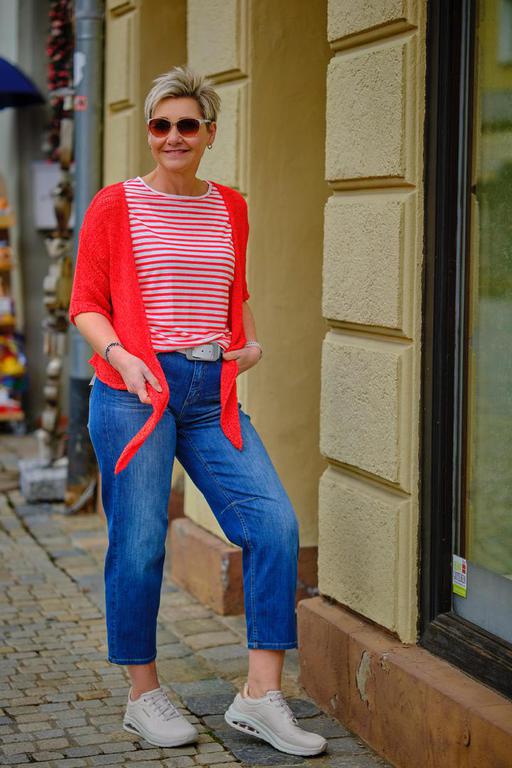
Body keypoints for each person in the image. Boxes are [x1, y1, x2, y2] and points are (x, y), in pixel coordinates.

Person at [68, 64, 326, 757]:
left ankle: (259, 696)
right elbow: (86, 302)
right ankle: (143, 695)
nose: (173, 136)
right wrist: (120, 356)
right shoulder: (115, 205)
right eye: (161, 125)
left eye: (187, 125)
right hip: (134, 394)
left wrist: (246, 347)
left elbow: (230, 296)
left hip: (212, 397)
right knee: (140, 542)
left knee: (274, 526)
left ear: (211, 132)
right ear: (149, 132)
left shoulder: (231, 207)